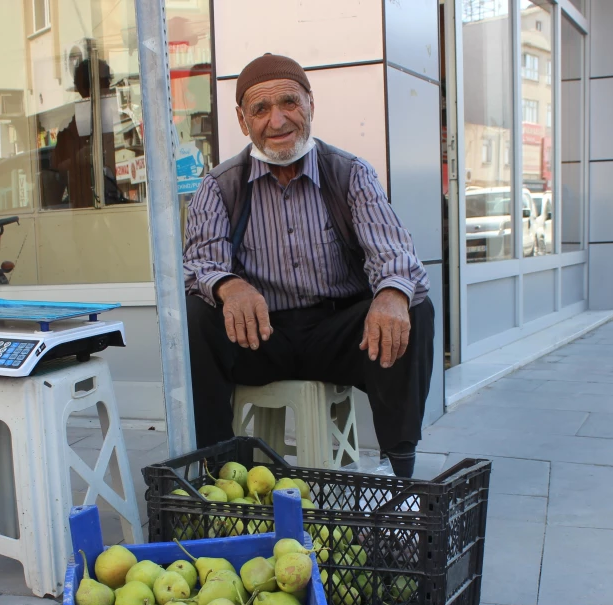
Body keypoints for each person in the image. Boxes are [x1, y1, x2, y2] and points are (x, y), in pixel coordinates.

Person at [183, 53, 433, 478]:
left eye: (289, 103)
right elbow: (199, 263)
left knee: (410, 308)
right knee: (197, 314)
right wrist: (230, 285)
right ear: (243, 122)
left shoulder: (350, 174)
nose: (277, 121)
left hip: (338, 338)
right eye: (261, 109)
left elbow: (394, 254)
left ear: (310, 105)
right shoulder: (220, 185)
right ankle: (219, 470)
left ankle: (400, 473)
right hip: (262, 336)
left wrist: (390, 294)